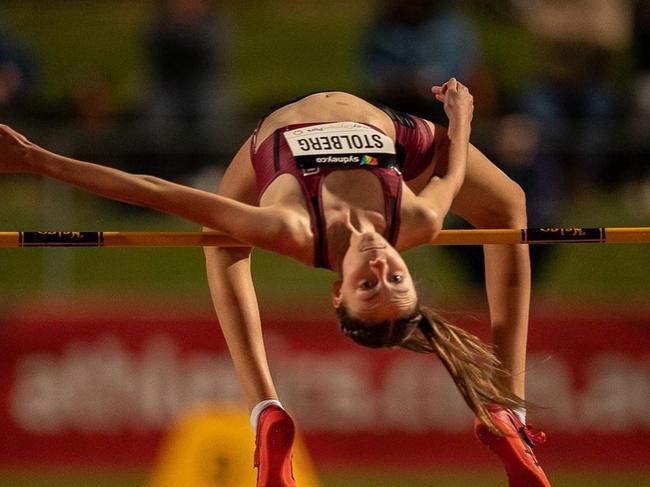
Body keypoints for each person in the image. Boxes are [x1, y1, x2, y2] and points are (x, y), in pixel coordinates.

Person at [0, 79, 550, 487]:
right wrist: (462, 118)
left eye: (367, 285)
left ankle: (265, 408)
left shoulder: (290, 226)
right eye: (397, 277)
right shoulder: (418, 221)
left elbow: (156, 191)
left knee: (219, 241)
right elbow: (451, 176)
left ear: (337, 290)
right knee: (509, 206)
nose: (381, 264)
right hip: (390, 135)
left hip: (286, 140)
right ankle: (508, 411)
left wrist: (36, 159)